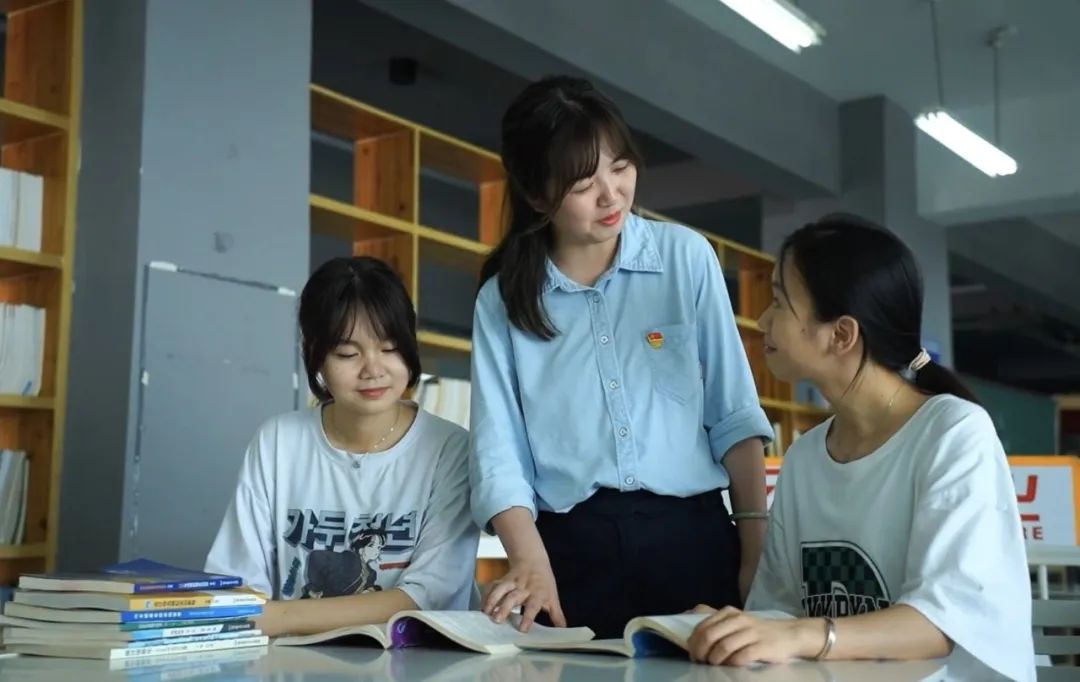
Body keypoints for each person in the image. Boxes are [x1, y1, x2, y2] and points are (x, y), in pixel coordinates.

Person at [470, 75, 772, 638]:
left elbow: (733, 413)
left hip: (694, 540)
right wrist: (529, 561)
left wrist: (755, 549)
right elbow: (497, 452)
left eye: (621, 166)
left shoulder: (686, 259)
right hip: (568, 555)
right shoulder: (503, 300)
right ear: (537, 196)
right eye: (584, 184)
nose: (611, 195)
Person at [687, 215, 1034, 681]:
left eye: (779, 302)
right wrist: (736, 628)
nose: (764, 320)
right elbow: (782, 609)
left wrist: (800, 635)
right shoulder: (806, 457)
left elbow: (940, 624)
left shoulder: (953, 433)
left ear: (841, 335)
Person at [206, 256, 479, 637]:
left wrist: (278, 618)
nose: (373, 369)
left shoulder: (450, 450)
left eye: (389, 348)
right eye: (348, 354)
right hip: (294, 660)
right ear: (315, 353)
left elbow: (426, 597)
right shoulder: (277, 443)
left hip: (419, 659)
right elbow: (236, 583)